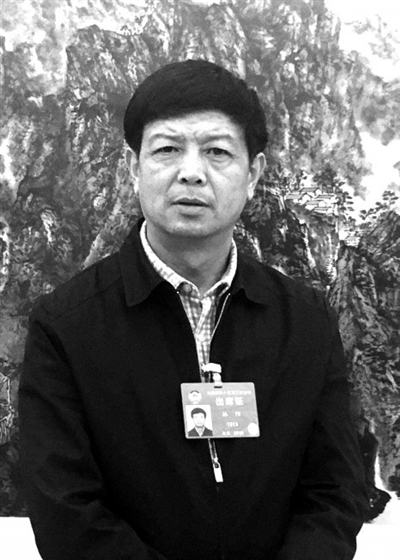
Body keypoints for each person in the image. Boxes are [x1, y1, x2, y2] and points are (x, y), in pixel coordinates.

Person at [19, 59, 368, 560]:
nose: (191, 172)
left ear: (253, 174)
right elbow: (65, 510)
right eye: (167, 149)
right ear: (133, 168)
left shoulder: (306, 320)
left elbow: (335, 491)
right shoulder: (65, 326)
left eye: (217, 151)